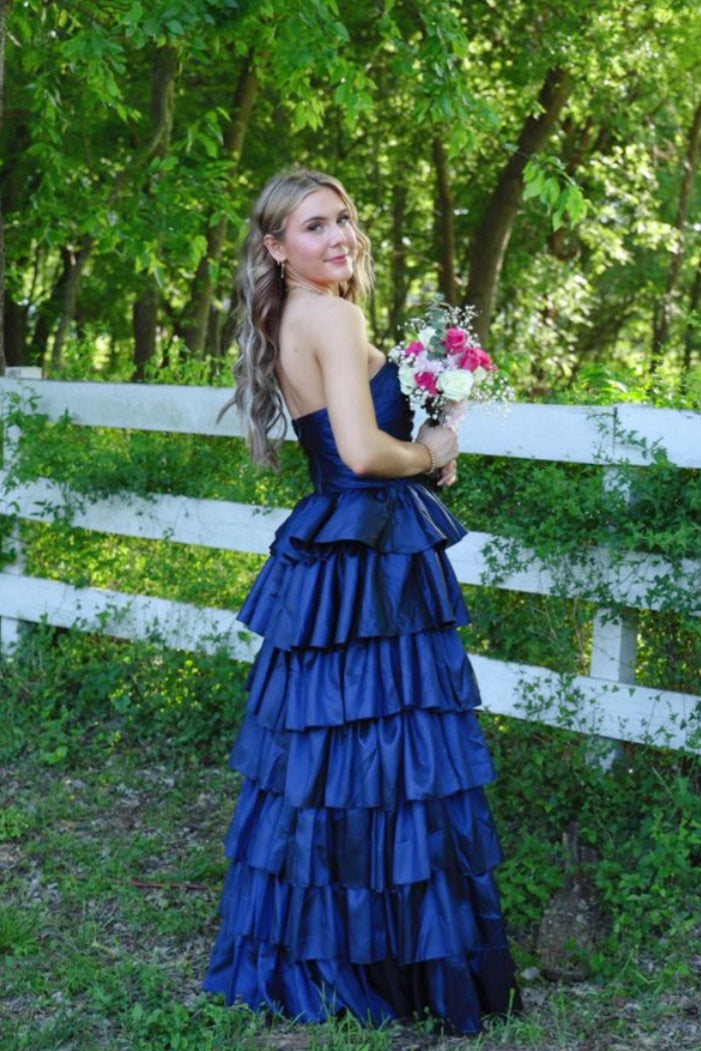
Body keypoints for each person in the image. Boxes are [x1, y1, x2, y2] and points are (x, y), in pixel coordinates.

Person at [203, 168, 522, 1035]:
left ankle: (325, 943)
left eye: (344, 217)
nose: (338, 235)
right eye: (314, 226)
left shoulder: (290, 316)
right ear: (276, 247)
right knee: (391, 750)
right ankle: (381, 952)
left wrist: (425, 404)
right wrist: (435, 447)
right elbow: (363, 451)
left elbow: (350, 436)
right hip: (367, 556)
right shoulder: (334, 316)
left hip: (333, 551)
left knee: (332, 755)